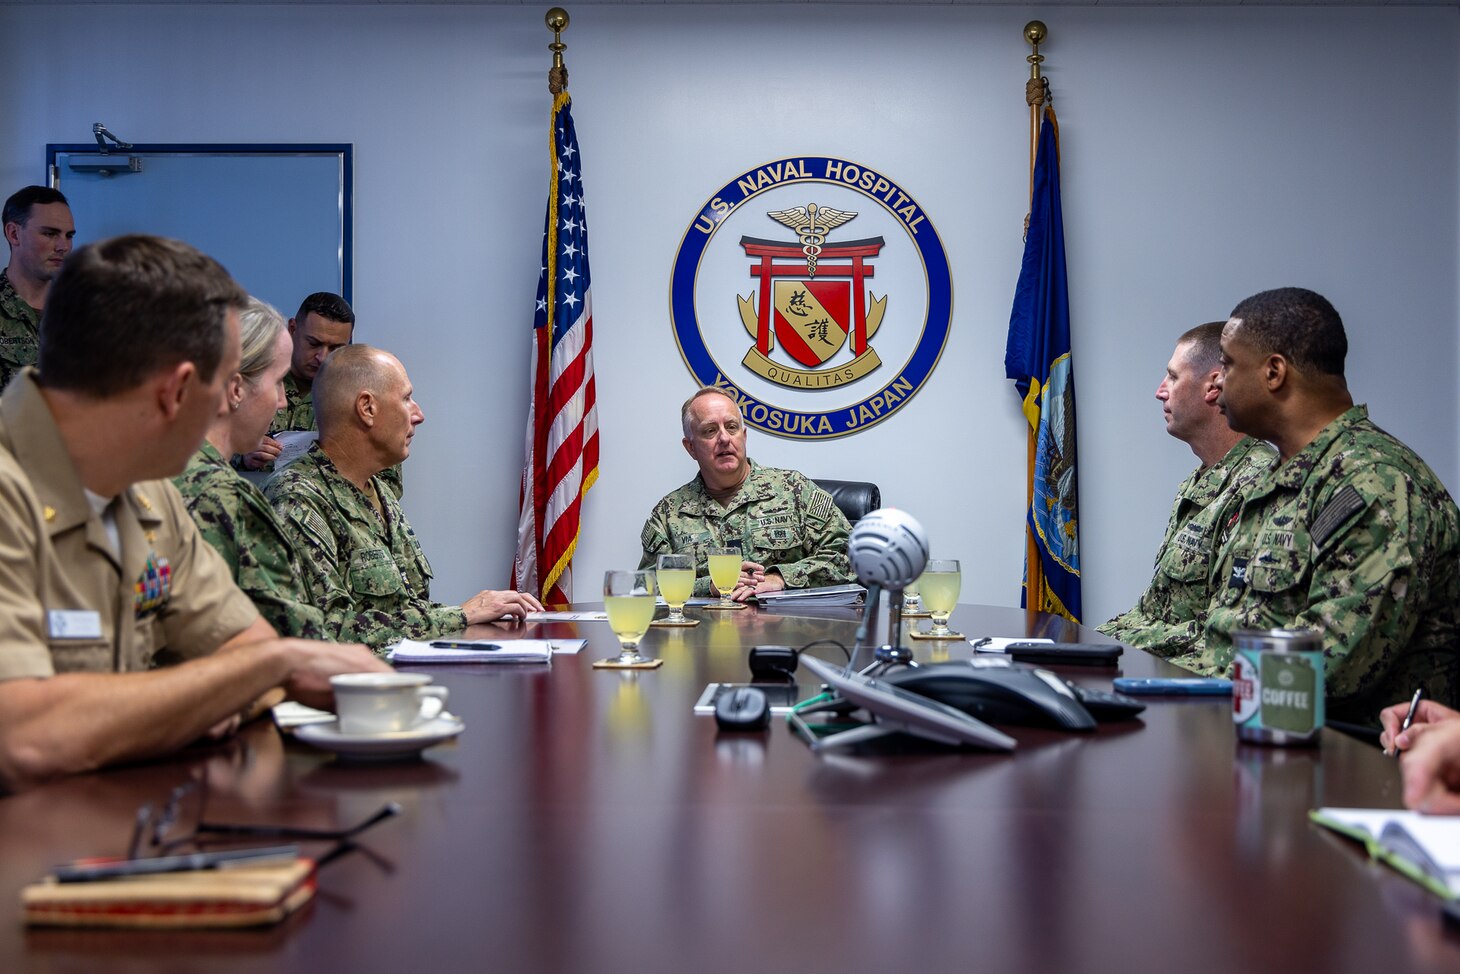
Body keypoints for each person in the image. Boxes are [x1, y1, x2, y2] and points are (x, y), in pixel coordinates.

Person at [0, 235, 388, 785]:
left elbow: (243, 646)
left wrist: (238, 679)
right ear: (178, 391)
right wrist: (253, 674)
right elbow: (24, 735)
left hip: (124, 823)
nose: (243, 401)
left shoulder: (147, 493)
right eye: (227, 382)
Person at [1196, 287, 1460, 726]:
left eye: (1226, 363)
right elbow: (1229, 632)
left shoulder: (1375, 483)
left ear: (1274, 372)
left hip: (1351, 764)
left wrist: (1181, 702)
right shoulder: (1279, 480)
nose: (1217, 379)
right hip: (1250, 732)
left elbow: (1327, 667)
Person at [174, 298, 410, 652]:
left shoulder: (166, 473)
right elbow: (296, 636)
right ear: (236, 389)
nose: (282, 402)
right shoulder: (221, 496)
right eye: (276, 384)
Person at [267, 345, 542, 635]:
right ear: (367, 408)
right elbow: (326, 632)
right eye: (407, 398)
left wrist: (478, 611)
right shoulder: (297, 498)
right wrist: (460, 615)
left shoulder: (380, 492)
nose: (418, 414)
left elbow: (406, 611)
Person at [1099, 322, 1274, 656]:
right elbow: (1153, 614)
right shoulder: (1197, 484)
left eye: (1173, 377)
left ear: (1213, 387)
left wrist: (1112, 650)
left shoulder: (1257, 485)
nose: (1160, 391)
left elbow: (1226, 634)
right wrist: (1080, 644)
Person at [639, 386, 852, 601]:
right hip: (705, 631)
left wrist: (780, 578)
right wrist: (709, 586)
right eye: (710, 431)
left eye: (731, 427)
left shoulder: (794, 490)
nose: (724, 438)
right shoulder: (669, 513)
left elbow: (849, 557)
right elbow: (645, 587)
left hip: (786, 630)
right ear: (691, 448)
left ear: (744, 436)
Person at [1, 186, 75, 390]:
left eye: (69, 236)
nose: (63, 246)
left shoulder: (84, 311)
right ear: (14, 234)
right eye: (50, 234)